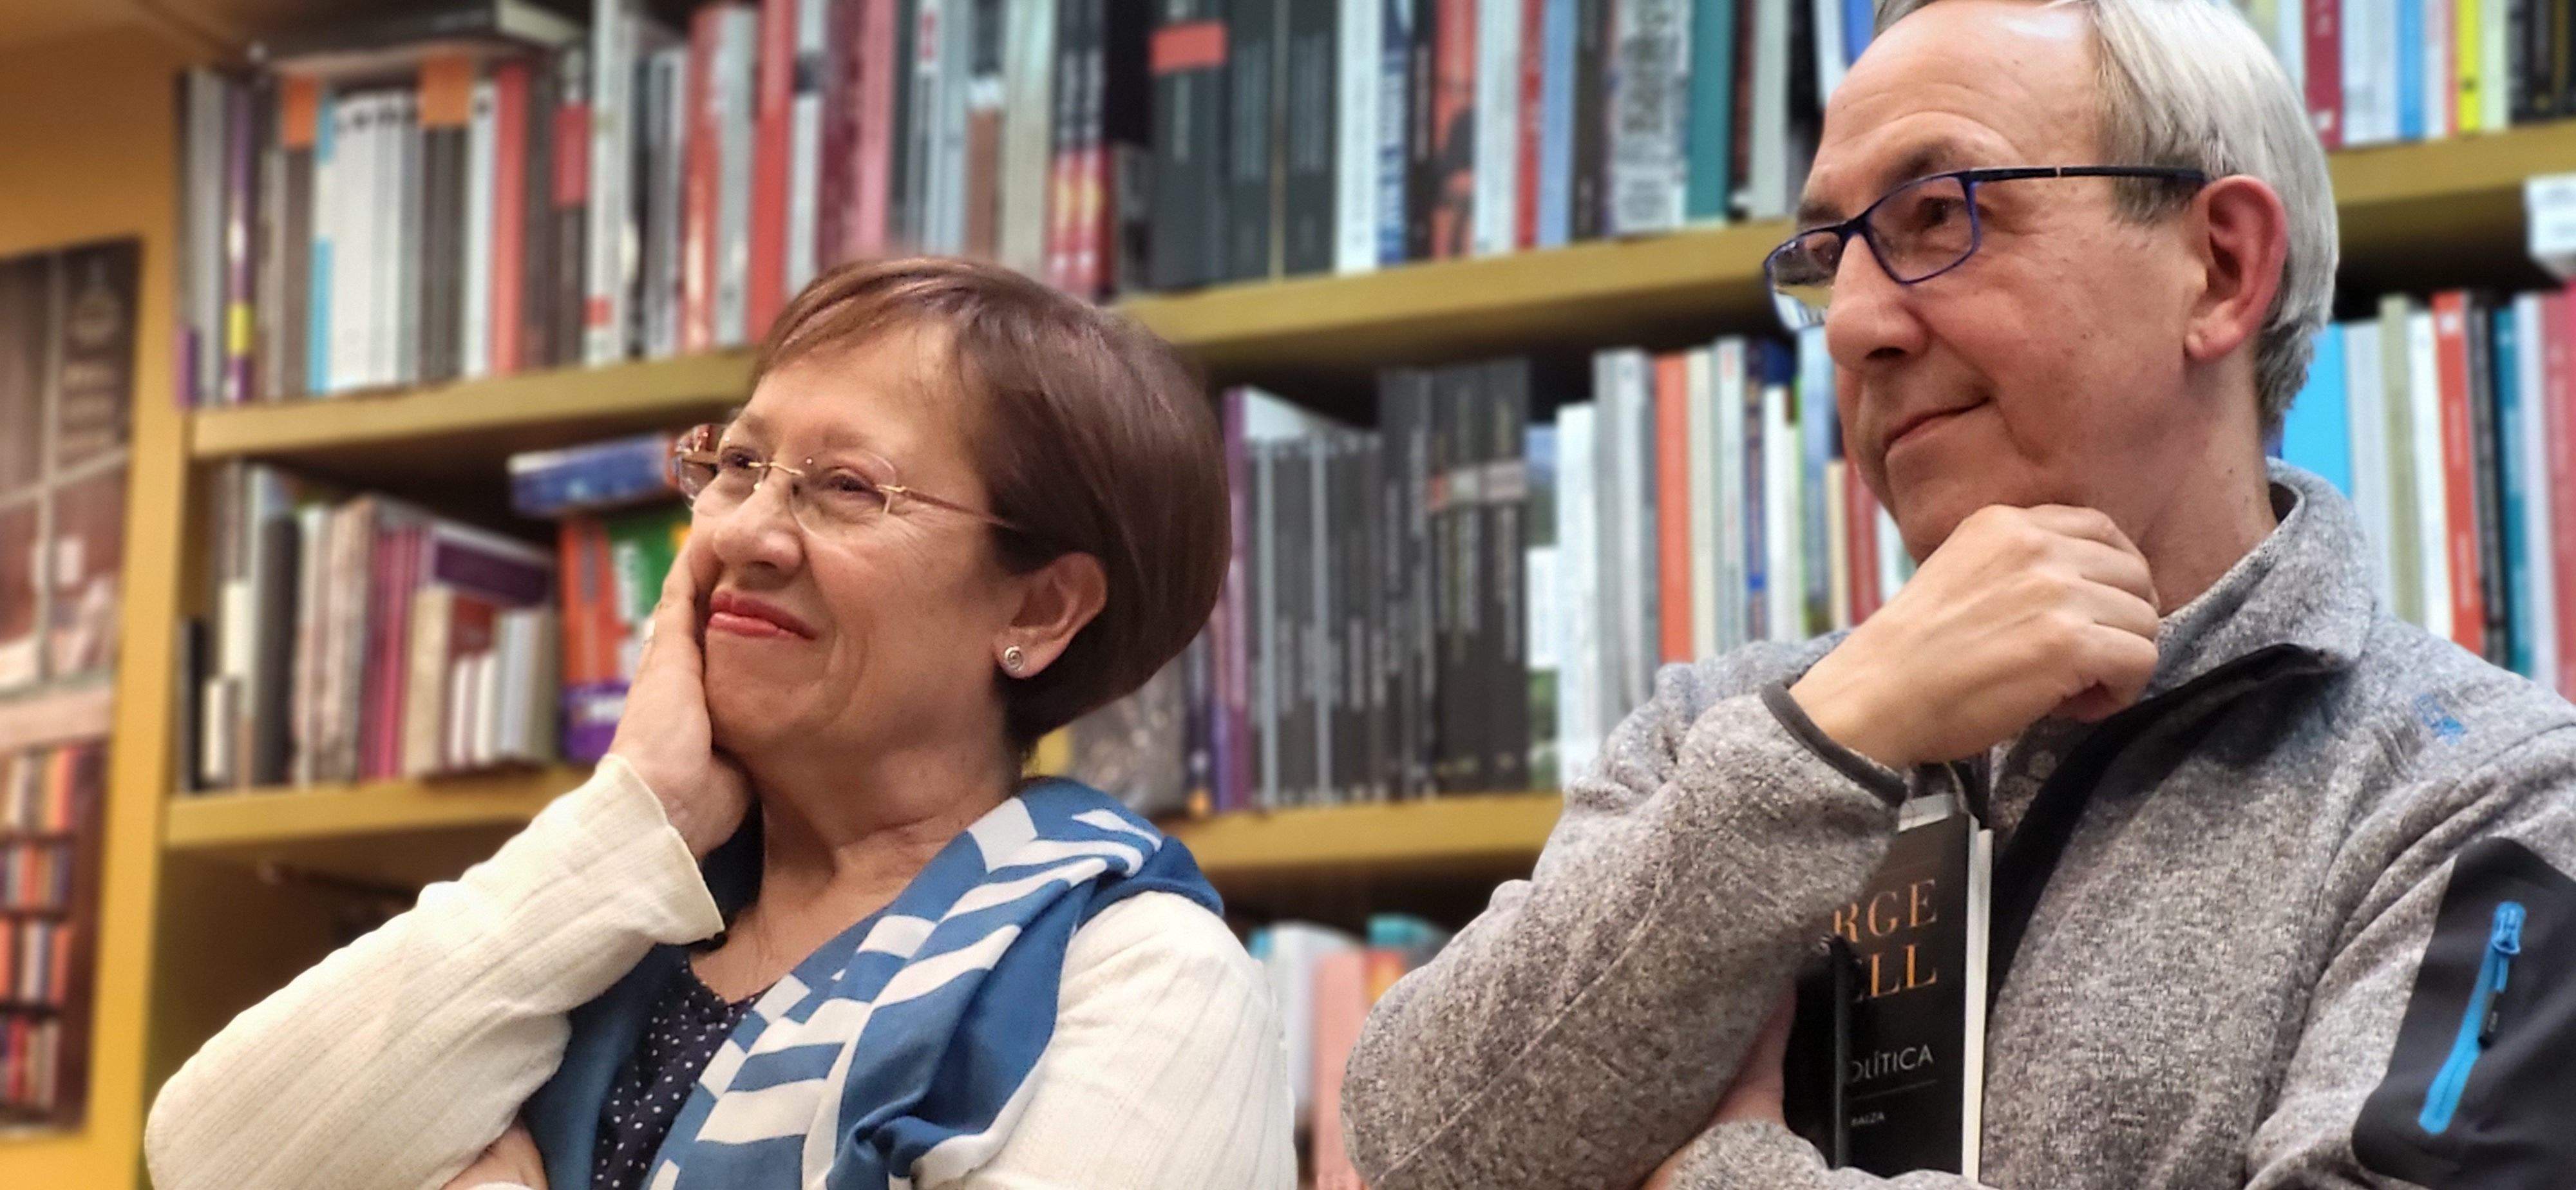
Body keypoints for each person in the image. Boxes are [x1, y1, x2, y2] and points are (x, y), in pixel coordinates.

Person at [1340, 1, 2576, 1188]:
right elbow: (1414, 1153)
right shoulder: (1725, 729)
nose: (1854, 324)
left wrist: (1725, 1176)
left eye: (1941, 213)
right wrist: (1831, 744)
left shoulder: (2492, 798)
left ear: (2219, 268)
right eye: (1830, 256)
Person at [144, 257, 1296, 1190]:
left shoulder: (1141, 978)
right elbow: (211, 1159)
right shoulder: (625, 907)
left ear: (1039, 609)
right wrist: (634, 812)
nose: (745, 532)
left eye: (847, 486)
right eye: (739, 464)